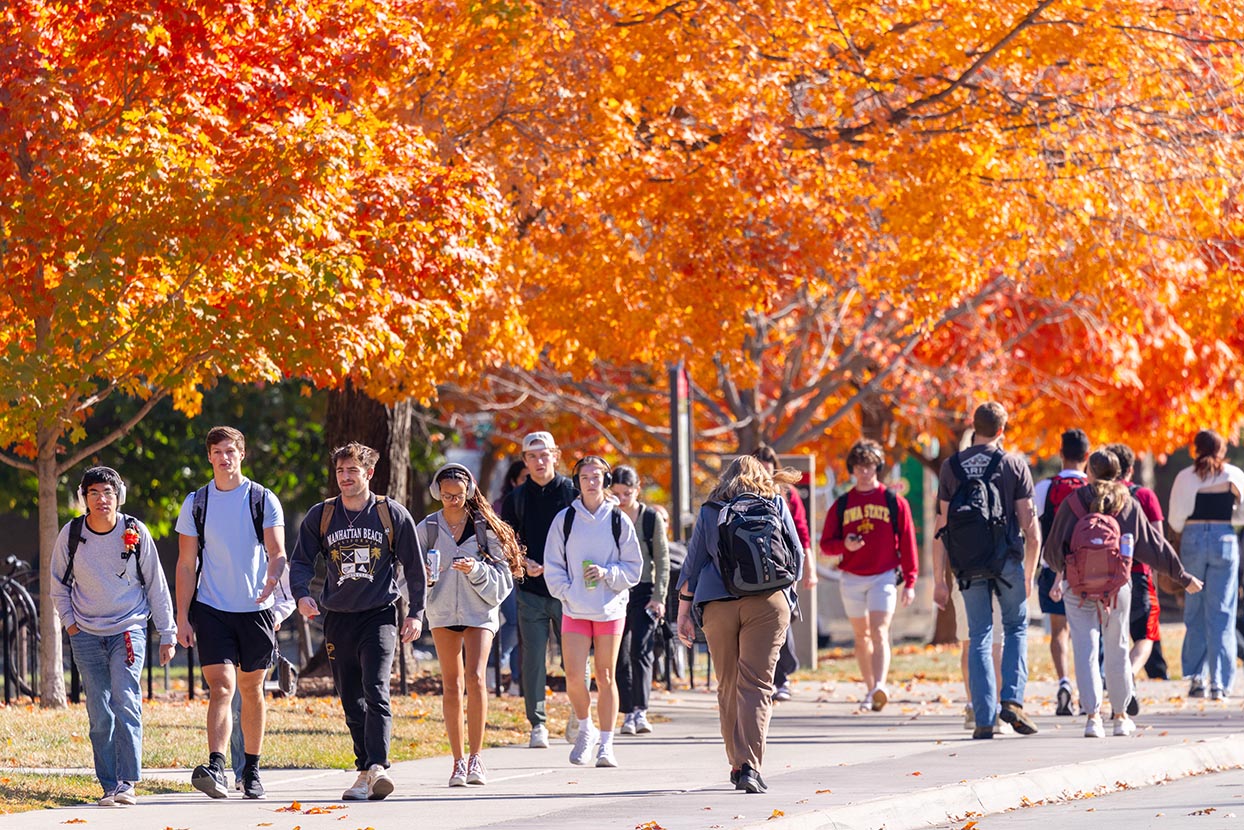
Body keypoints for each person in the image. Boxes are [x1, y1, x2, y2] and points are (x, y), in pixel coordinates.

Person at [289, 442, 424, 800]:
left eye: (352, 471)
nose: (345, 478)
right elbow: (301, 560)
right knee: (350, 697)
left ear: (369, 473)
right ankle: (364, 770)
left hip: (379, 615)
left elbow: (415, 567)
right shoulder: (323, 514)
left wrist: (416, 613)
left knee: (375, 688)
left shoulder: (390, 514)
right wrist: (301, 593)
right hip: (337, 618)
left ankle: (378, 765)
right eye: (340, 472)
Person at [1044, 450, 1202, 737]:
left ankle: (1093, 717)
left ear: (1089, 472)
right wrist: (1182, 576)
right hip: (1117, 588)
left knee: (1085, 649)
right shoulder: (1126, 503)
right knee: (1117, 648)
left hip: (1078, 588)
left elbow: (1053, 550)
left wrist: (1062, 572)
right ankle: (1119, 716)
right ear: (1118, 474)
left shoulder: (1073, 502)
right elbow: (1154, 546)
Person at [676, 455, 803, 794]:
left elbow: (693, 564)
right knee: (758, 685)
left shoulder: (710, 509)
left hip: (718, 603)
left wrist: (683, 611)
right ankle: (751, 766)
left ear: (726, 478)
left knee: (728, 684)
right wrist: (786, 595)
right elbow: (797, 556)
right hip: (768, 602)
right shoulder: (775, 502)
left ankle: (736, 762)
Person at [51, 467, 176, 807]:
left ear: (118, 495)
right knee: (99, 710)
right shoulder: (72, 533)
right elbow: (58, 585)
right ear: (84, 498)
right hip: (86, 632)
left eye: (107, 492)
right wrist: (71, 624)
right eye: (93, 493)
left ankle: (127, 783)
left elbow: (155, 584)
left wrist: (167, 633)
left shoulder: (135, 530)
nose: (101, 499)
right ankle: (108, 783)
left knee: (125, 698)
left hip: (128, 629)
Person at [175, 426, 285, 799]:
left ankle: (251, 770)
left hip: (256, 608)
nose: (224, 457)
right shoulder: (196, 502)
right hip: (212, 608)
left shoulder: (262, 499)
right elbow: (187, 564)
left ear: (242, 454)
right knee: (221, 686)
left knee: (252, 689)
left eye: (231, 451)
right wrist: (182, 616)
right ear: (209, 457)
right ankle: (217, 766)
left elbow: (277, 551)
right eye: (217, 452)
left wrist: (273, 579)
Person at [932, 402, 1041, 740]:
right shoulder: (1013, 465)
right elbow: (1030, 525)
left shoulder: (952, 467)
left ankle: (983, 717)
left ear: (973, 427)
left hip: (968, 562)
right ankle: (1012, 700)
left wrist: (939, 579)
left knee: (979, 635)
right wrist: (1029, 571)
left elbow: (941, 525)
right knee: (1015, 627)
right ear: (1002, 430)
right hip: (1007, 558)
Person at [421, 463, 523, 786]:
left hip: (480, 612)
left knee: (476, 677)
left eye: (459, 495)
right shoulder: (428, 528)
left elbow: (503, 582)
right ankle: (457, 761)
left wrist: (475, 570)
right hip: (442, 613)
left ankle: (477, 757)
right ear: (437, 493)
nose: (453, 501)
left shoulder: (484, 528)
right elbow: (405, 573)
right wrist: (424, 577)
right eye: (447, 495)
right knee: (451, 684)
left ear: (470, 492)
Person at [544, 456, 643, 767]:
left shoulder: (618, 520)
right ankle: (585, 728)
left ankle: (606, 743)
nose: (591, 481)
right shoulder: (565, 519)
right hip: (575, 607)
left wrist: (608, 574)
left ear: (606, 480)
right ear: (577, 481)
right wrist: (567, 592)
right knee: (573, 675)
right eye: (585, 476)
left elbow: (633, 568)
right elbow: (553, 564)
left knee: (605, 674)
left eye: (597, 476)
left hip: (610, 608)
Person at [819, 439, 918, 712]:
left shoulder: (893, 501)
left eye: (870, 466)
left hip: (884, 575)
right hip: (851, 577)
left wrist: (910, 581)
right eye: (860, 467)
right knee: (861, 636)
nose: (865, 472)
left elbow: (908, 541)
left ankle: (880, 687)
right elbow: (826, 544)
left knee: (879, 630)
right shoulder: (842, 504)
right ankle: (869, 687)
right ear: (852, 469)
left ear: (878, 467)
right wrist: (844, 546)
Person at [501, 431, 579, 748]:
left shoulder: (573, 493)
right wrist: (523, 561)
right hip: (531, 591)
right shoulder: (515, 500)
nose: (539, 461)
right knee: (533, 659)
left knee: (574, 660)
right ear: (525, 461)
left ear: (556, 455)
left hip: (568, 591)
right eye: (532, 456)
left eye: (545, 454)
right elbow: (506, 544)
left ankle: (579, 715)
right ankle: (538, 724)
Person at [1168, 429, 1244, 701]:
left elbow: (1175, 520)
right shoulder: (1233, 475)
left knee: (1195, 609)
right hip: (1224, 539)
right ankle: (1220, 683)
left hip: (1193, 539)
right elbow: (1242, 514)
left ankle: (1196, 677)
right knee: (1222, 613)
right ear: (1222, 449)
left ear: (1196, 449)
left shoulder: (1185, 477)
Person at [751, 445, 817, 701]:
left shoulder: (785, 493)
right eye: (760, 465)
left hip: (783, 567)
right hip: (752, 569)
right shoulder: (741, 492)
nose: (765, 470)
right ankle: (764, 677)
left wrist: (808, 568)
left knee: (782, 618)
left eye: (769, 465)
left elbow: (801, 533)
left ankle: (783, 676)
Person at [608, 465, 670, 736]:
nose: (621, 499)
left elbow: (663, 558)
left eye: (627, 493)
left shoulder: (649, 518)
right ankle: (626, 711)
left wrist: (659, 597)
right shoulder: (607, 517)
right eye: (616, 493)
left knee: (641, 651)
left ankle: (641, 710)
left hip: (643, 590)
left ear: (637, 490)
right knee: (618, 654)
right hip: (614, 589)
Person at [1033, 428, 1090, 717]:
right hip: (1088, 573)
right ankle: (1087, 689)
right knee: (1087, 632)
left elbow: (1031, 528)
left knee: (1059, 632)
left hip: (1051, 567)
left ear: (1060, 454)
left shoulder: (1045, 488)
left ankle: (1064, 682)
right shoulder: (1094, 488)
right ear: (1087, 457)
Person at [1104, 442, 1166, 686]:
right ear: (1130, 469)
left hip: (1105, 576)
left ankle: (1113, 679)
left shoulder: (1099, 496)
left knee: (1112, 635)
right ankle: (1129, 672)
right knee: (1145, 636)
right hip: (1139, 573)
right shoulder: (1144, 495)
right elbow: (1157, 540)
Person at [230, 571, 296, 792]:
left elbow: (287, 596)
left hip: (257, 627)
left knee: (246, 700)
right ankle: (228, 768)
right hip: (223, 626)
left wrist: (274, 616)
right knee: (230, 704)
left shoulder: (268, 543)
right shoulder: (213, 538)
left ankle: (246, 772)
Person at [492, 459, 528, 695]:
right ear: (514, 481)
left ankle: (517, 681)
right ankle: (492, 664)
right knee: (514, 622)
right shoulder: (500, 506)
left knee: (523, 627)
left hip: (531, 572)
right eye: (524, 477)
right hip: (505, 569)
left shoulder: (537, 503)